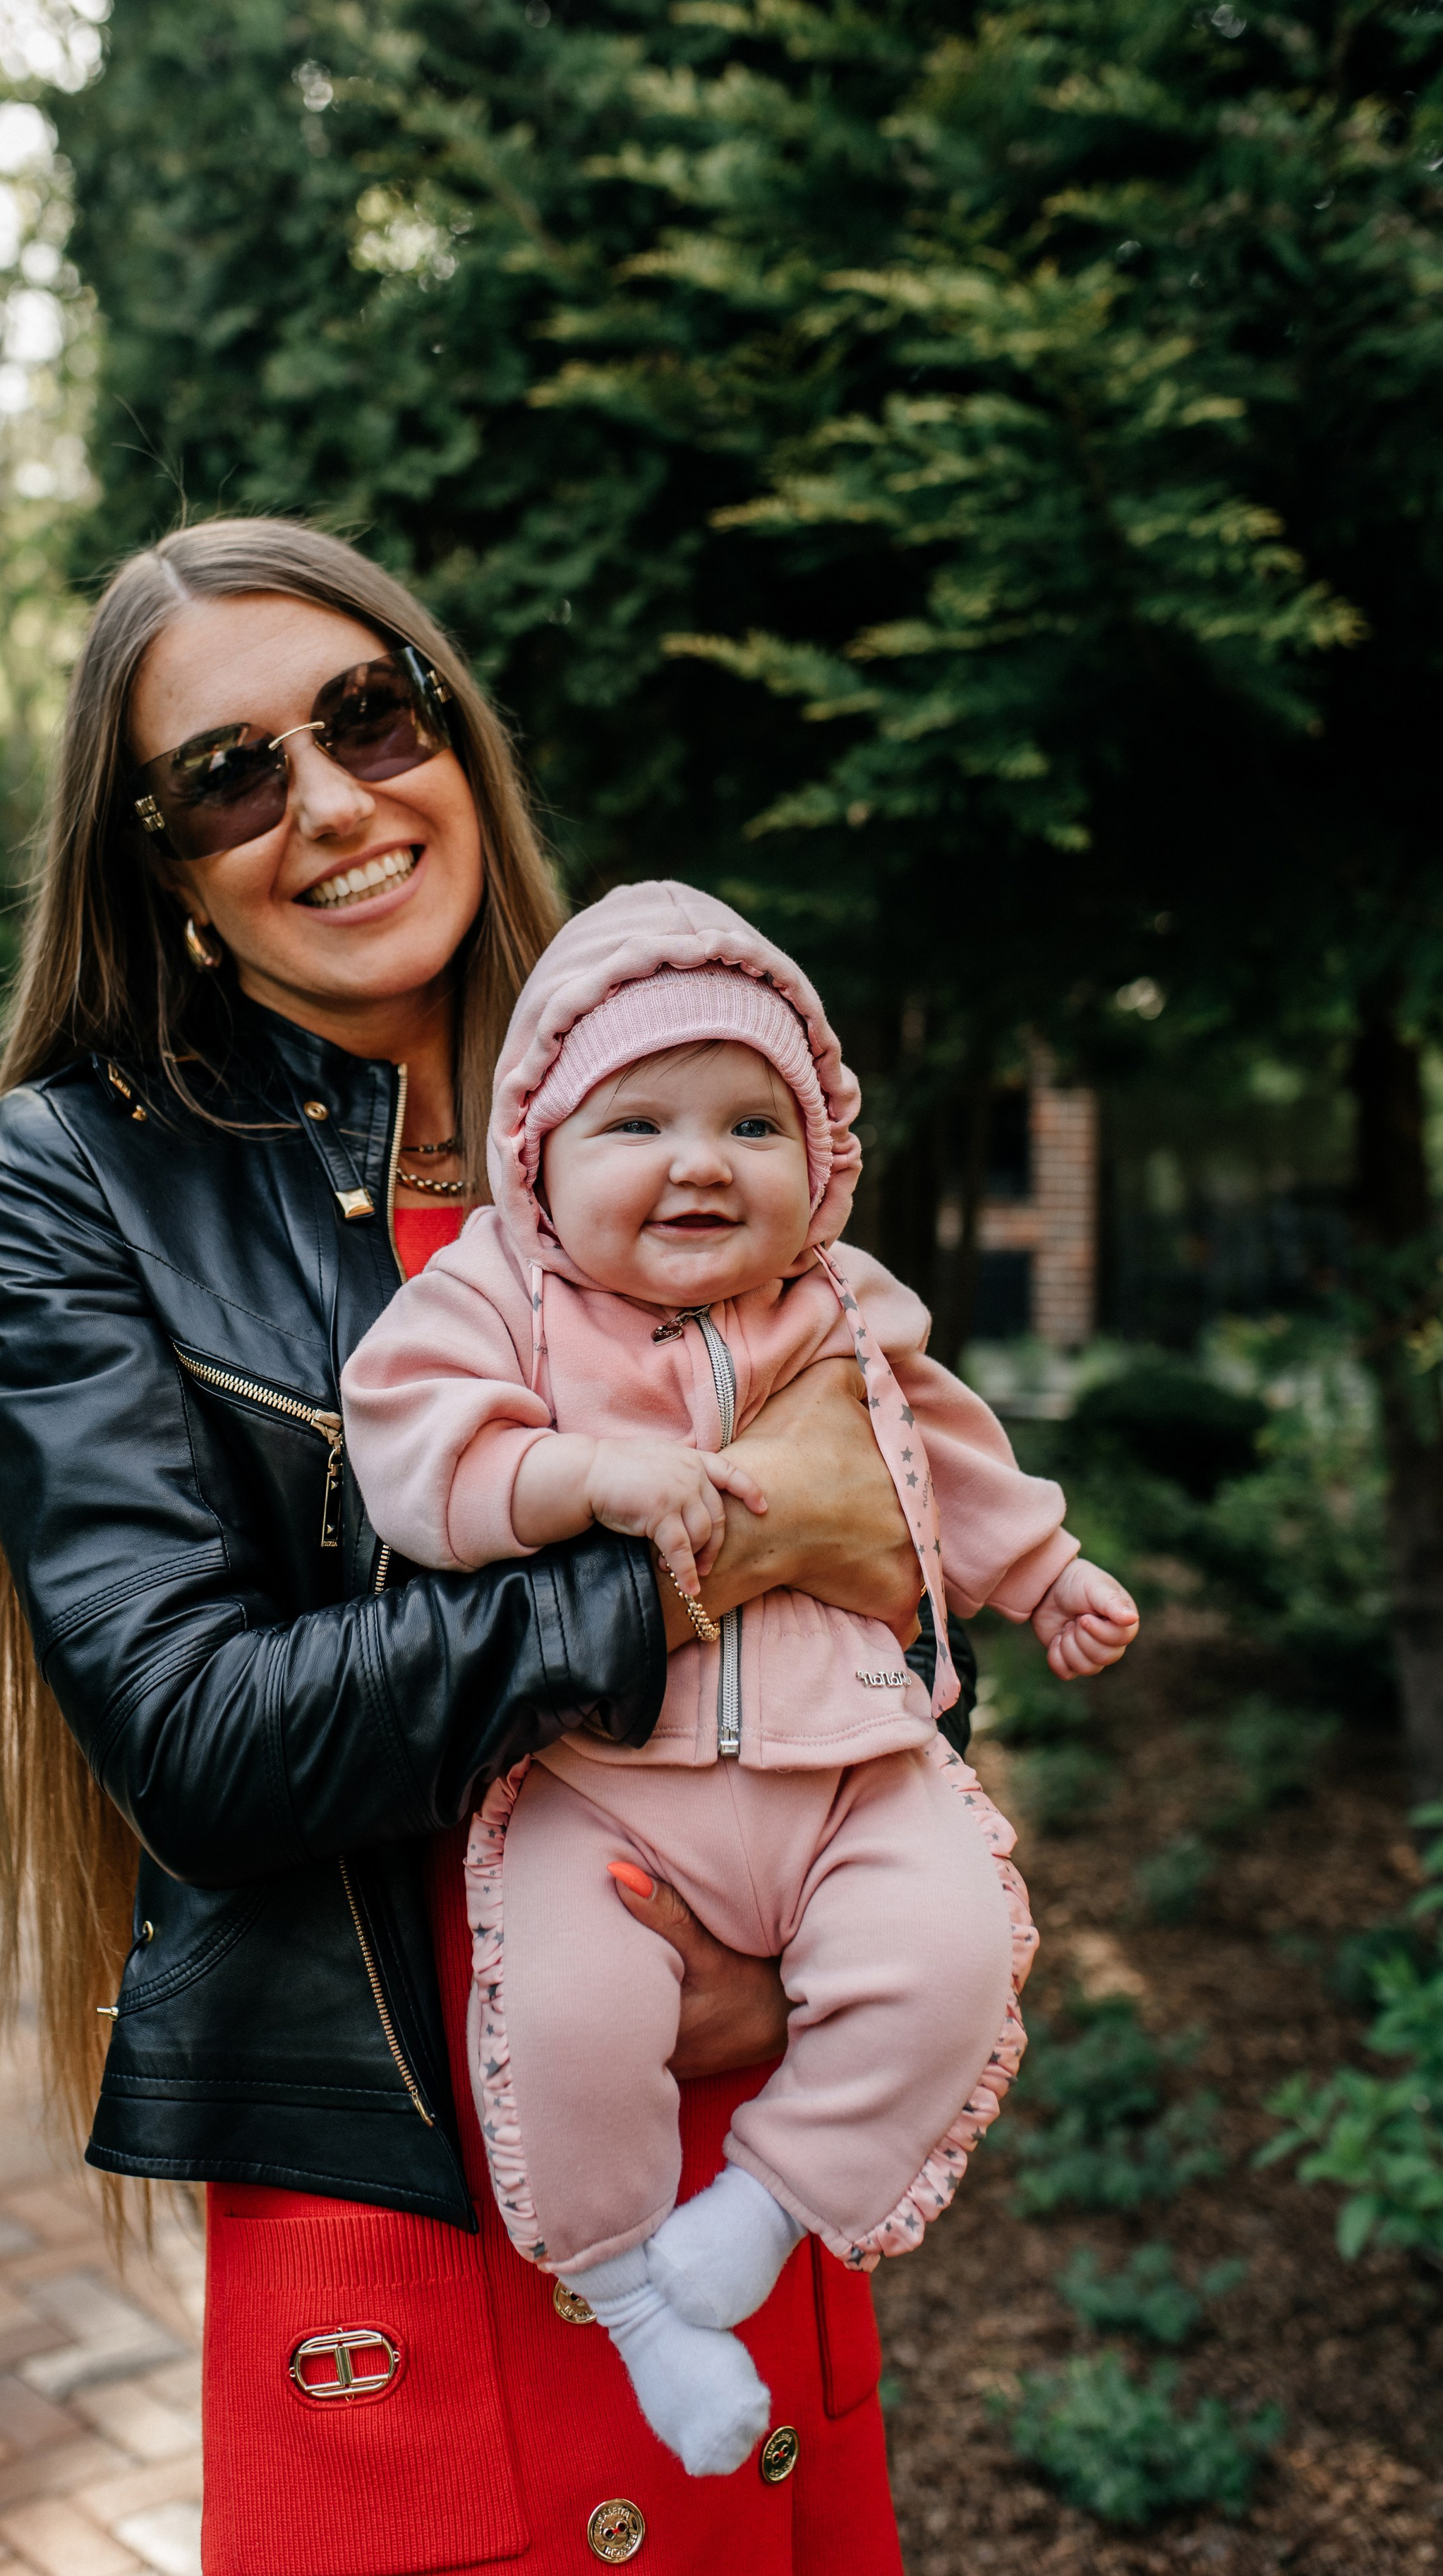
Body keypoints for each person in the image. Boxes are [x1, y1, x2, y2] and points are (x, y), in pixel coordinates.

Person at [0, 517, 955, 2575]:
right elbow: (201, 1738)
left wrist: (822, 1955)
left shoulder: (672, 1090)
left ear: (450, 733)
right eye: (229, 776)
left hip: (738, 2152)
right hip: (405, 2218)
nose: (329, 799)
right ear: (165, 867)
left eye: (366, 714)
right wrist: (680, 1567)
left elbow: (906, 1555)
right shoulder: (84, 1178)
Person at [342, 881, 1140, 2476]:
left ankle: (766, 2205)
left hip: (845, 1756)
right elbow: (413, 1453)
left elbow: (942, 1461)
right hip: (602, 1780)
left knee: (951, 1950)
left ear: (818, 1162)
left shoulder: (844, 1311)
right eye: (633, 1120)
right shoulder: (496, 1297)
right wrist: (580, 1475)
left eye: (748, 1125)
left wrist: (1042, 1570)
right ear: (539, 1163)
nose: (698, 1160)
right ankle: (639, 2308)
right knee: (565, 2019)